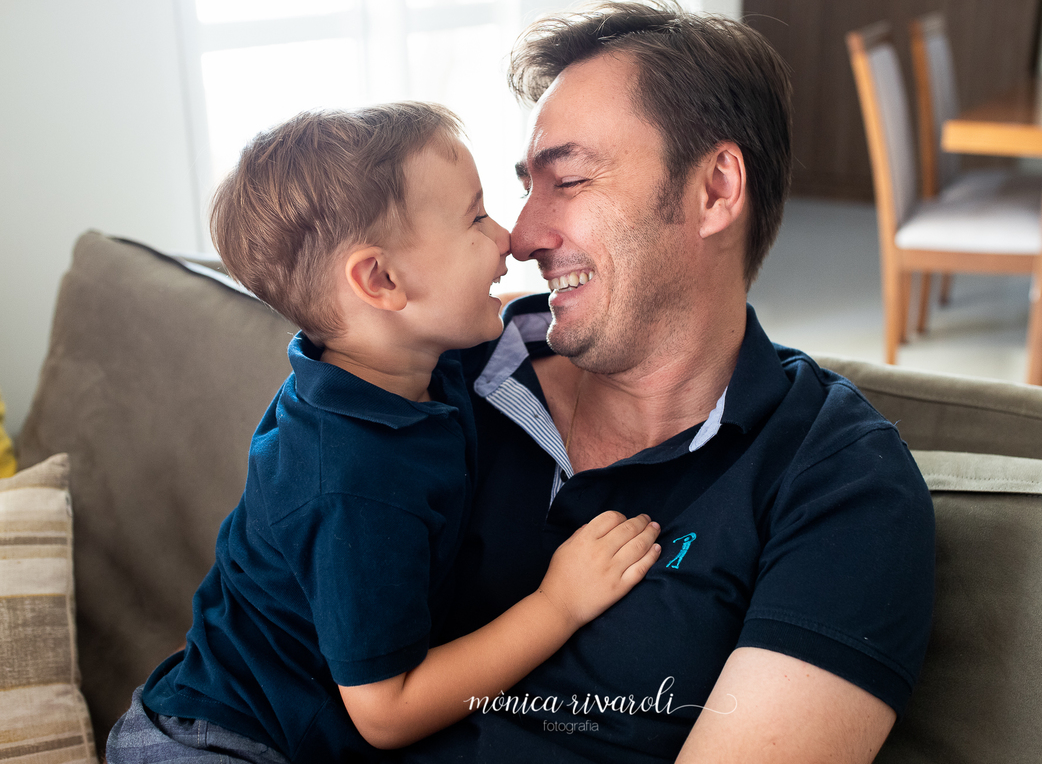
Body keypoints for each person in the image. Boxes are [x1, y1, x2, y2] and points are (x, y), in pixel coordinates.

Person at [401, 1, 937, 764]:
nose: (520, 237)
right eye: (528, 186)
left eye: (572, 179)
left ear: (716, 190)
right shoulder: (429, 376)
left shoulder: (839, 484)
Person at [106, 102, 662, 763]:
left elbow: (533, 326)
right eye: (475, 218)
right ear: (381, 280)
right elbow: (387, 712)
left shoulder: (416, 366)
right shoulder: (349, 479)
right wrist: (559, 604)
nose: (508, 238)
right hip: (210, 744)